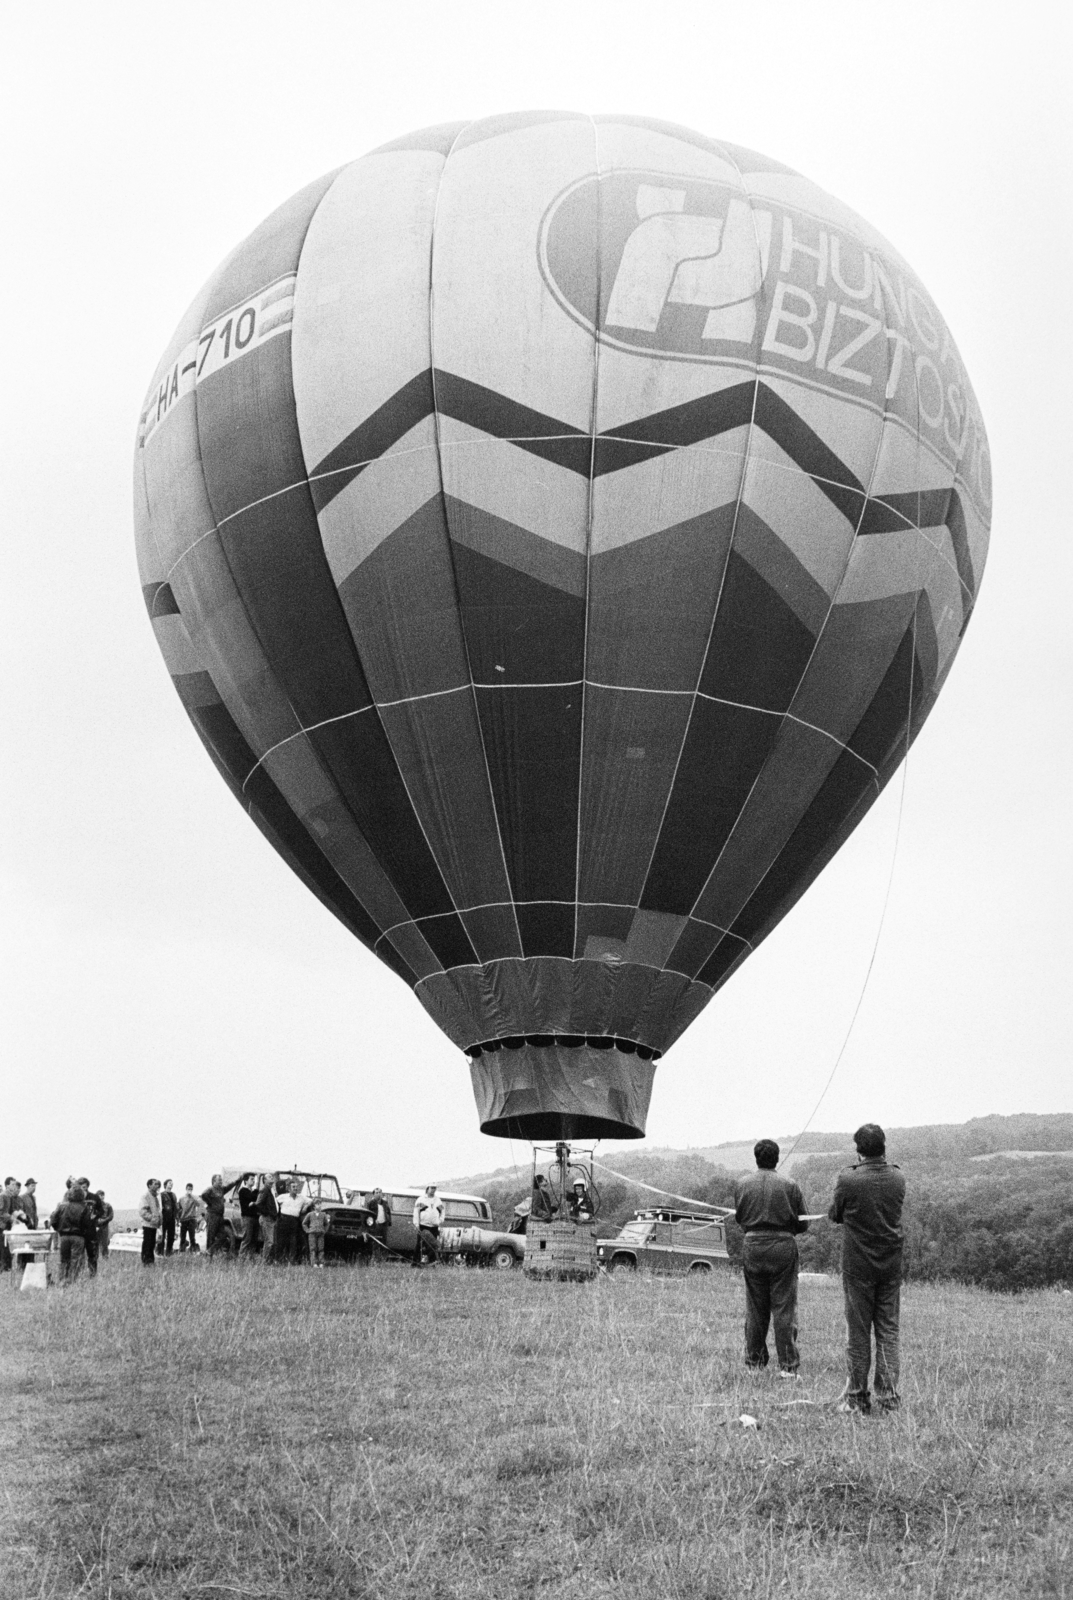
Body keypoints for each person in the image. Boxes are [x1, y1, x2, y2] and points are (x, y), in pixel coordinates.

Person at [829, 1123, 906, 1414]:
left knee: (858, 1334)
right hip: (890, 1265)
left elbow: (835, 1214)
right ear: (884, 1147)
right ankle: (888, 1401)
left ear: (858, 1150)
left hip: (858, 1266)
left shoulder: (848, 1179)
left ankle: (857, 1399)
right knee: (888, 1332)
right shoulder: (898, 1177)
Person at [733, 1139, 808, 1376]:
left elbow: (740, 1218)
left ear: (756, 1158)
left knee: (755, 1308)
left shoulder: (742, 1184)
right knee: (784, 1308)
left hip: (752, 1246)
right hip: (783, 1246)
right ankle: (787, 1366)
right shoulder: (790, 1184)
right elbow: (803, 1221)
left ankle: (754, 1363)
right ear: (777, 1158)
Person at [49, 1183, 97, 1283]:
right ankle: (72, 1281)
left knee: (63, 1260)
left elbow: (53, 1220)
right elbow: (88, 1223)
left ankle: (62, 1280)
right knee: (75, 1260)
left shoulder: (62, 1206)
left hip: (64, 1237)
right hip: (78, 1237)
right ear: (81, 1195)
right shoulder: (84, 1207)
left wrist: (59, 1229)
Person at [276, 1178, 308, 1264]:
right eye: (293, 1187)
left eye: (297, 1187)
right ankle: (279, 1260)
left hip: (294, 1221)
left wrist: (305, 1207)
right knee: (281, 1241)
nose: (295, 1188)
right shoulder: (283, 1197)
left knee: (293, 1241)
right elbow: (274, 1203)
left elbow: (311, 1201)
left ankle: (292, 1260)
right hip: (283, 1220)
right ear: (288, 1188)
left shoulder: (301, 1198)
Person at [412, 1185, 444, 1267]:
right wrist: (416, 1224)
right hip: (423, 1225)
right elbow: (416, 1213)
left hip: (434, 1226)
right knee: (420, 1245)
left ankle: (432, 1263)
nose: (433, 1190)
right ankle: (415, 1263)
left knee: (433, 1245)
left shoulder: (438, 1200)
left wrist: (440, 1221)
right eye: (431, 1188)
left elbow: (442, 1211)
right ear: (427, 1188)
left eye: (435, 1188)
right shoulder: (421, 1199)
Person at [200, 1175, 229, 1257]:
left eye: (221, 1180)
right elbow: (203, 1194)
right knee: (211, 1236)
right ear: (213, 1181)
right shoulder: (210, 1189)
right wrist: (210, 1203)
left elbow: (229, 1186)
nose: (221, 1181)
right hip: (212, 1215)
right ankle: (209, 1257)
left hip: (220, 1216)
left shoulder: (221, 1190)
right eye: (219, 1180)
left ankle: (209, 1251)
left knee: (223, 1236)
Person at [79, 1178, 103, 1276]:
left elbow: (101, 1210)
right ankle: (79, 1275)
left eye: (84, 1187)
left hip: (91, 1231)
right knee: (79, 1255)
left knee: (92, 1254)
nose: (83, 1189)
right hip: (79, 1231)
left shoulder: (94, 1197)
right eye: (80, 1187)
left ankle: (93, 1275)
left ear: (87, 1186)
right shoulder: (76, 1198)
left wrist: (96, 1216)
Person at [255, 1173, 279, 1261]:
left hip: (272, 1219)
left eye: (272, 1176)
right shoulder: (265, 1190)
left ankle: (268, 1260)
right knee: (269, 1242)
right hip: (267, 1219)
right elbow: (258, 1204)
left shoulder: (271, 1190)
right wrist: (267, 1213)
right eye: (269, 1177)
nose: (272, 1177)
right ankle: (264, 1261)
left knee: (271, 1241)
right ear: (264, 1180)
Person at [0, 1176, 22, 1271]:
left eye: (14, 1184)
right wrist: (12, 1219)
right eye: (12, 1184)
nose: (14, 1186)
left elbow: (12, 1210)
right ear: (7, 1186)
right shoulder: (2, 1196)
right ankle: (4, 1268)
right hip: (2, 1226)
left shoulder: (10, 1196)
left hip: (7, 1226)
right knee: (3, 1248)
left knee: (7, 1247)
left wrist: (19, 1216)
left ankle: (7, 1267)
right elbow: (1, 1212)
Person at [237, 1175, 260, 1259]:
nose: (253, 1181)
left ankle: (250, 1257)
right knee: (247, 1238)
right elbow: (251, 1197)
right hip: (247, 1217)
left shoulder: (255, 1191)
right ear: (245, 1181)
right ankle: (241, 1257)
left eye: (254, 1179)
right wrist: (255, 1202)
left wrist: (253, 1202)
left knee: (254, 1238)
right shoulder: (243, 1191)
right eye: (251, 1179)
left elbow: (257, 1199)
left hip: (255, 1217)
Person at [139, 1179, 162, 1266]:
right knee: (147, 1243)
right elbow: (142, 1211)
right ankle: (146, 1262)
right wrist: (152, 1219)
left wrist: (159, 1220)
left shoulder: (155, 1197)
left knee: (152, 1244)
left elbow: (158, 1211)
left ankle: (150, 1261)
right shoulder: (145, 1196)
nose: (157, 1186)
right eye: (155, 1184)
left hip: (154, 1225)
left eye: (158, 1184)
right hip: (148, 1224)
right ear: (149, 1185)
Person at [302, 1201, 330, 1268]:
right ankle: (313, 1263)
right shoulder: (310, 1214)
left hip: (321, 1233)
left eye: (320, 1204)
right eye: (318, 1204)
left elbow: (327, 1224)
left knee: (321, 1248)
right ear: (314, 1206)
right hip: (312, 1234)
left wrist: (324, 1231)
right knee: (313, 1248)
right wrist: (307, 1230)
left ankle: (321, 1263)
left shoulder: (323, 1215)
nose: (319, 1206)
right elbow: (304, 1223)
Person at [178, 1184, 202, 1252]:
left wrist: (192, 1196)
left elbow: (198, 1204)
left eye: (191, 1189)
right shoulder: (181, 1198)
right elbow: (179, 1208)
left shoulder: (194, 1197)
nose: (189, 1190)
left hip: (192, 1219)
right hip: (184, 1219)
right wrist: (179, 1218)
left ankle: (193, 1249)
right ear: (186, 1189)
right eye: (188, 1189)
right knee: (182, 1236)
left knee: (192, 1236)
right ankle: (182, 1250)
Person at [159, 1180, 178, 1257]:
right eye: (169, 1183)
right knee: (162, 1236)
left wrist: (177, 1217)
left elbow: (175, 1207)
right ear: (165, 1184)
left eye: (172, 1184)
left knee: (171, 1236)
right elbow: (160, 1206)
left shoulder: (173, 1195)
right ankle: (160, 1252)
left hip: (172, 1218)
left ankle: (169, 1252)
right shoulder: (162, 1195)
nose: (171, 1185)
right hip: (164, 1218)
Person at [95, 1191, 114, 1258]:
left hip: (104, 1226)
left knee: (104, 1243)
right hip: (95, 1226)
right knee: (95, 1243)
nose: (102, 1197)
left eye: (103, 1195)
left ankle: (105, 1257)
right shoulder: (93, 1206)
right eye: (100, 1195)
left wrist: (104, 1220)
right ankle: (95, 1258)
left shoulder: (108, 1205)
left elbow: (111, 1216)